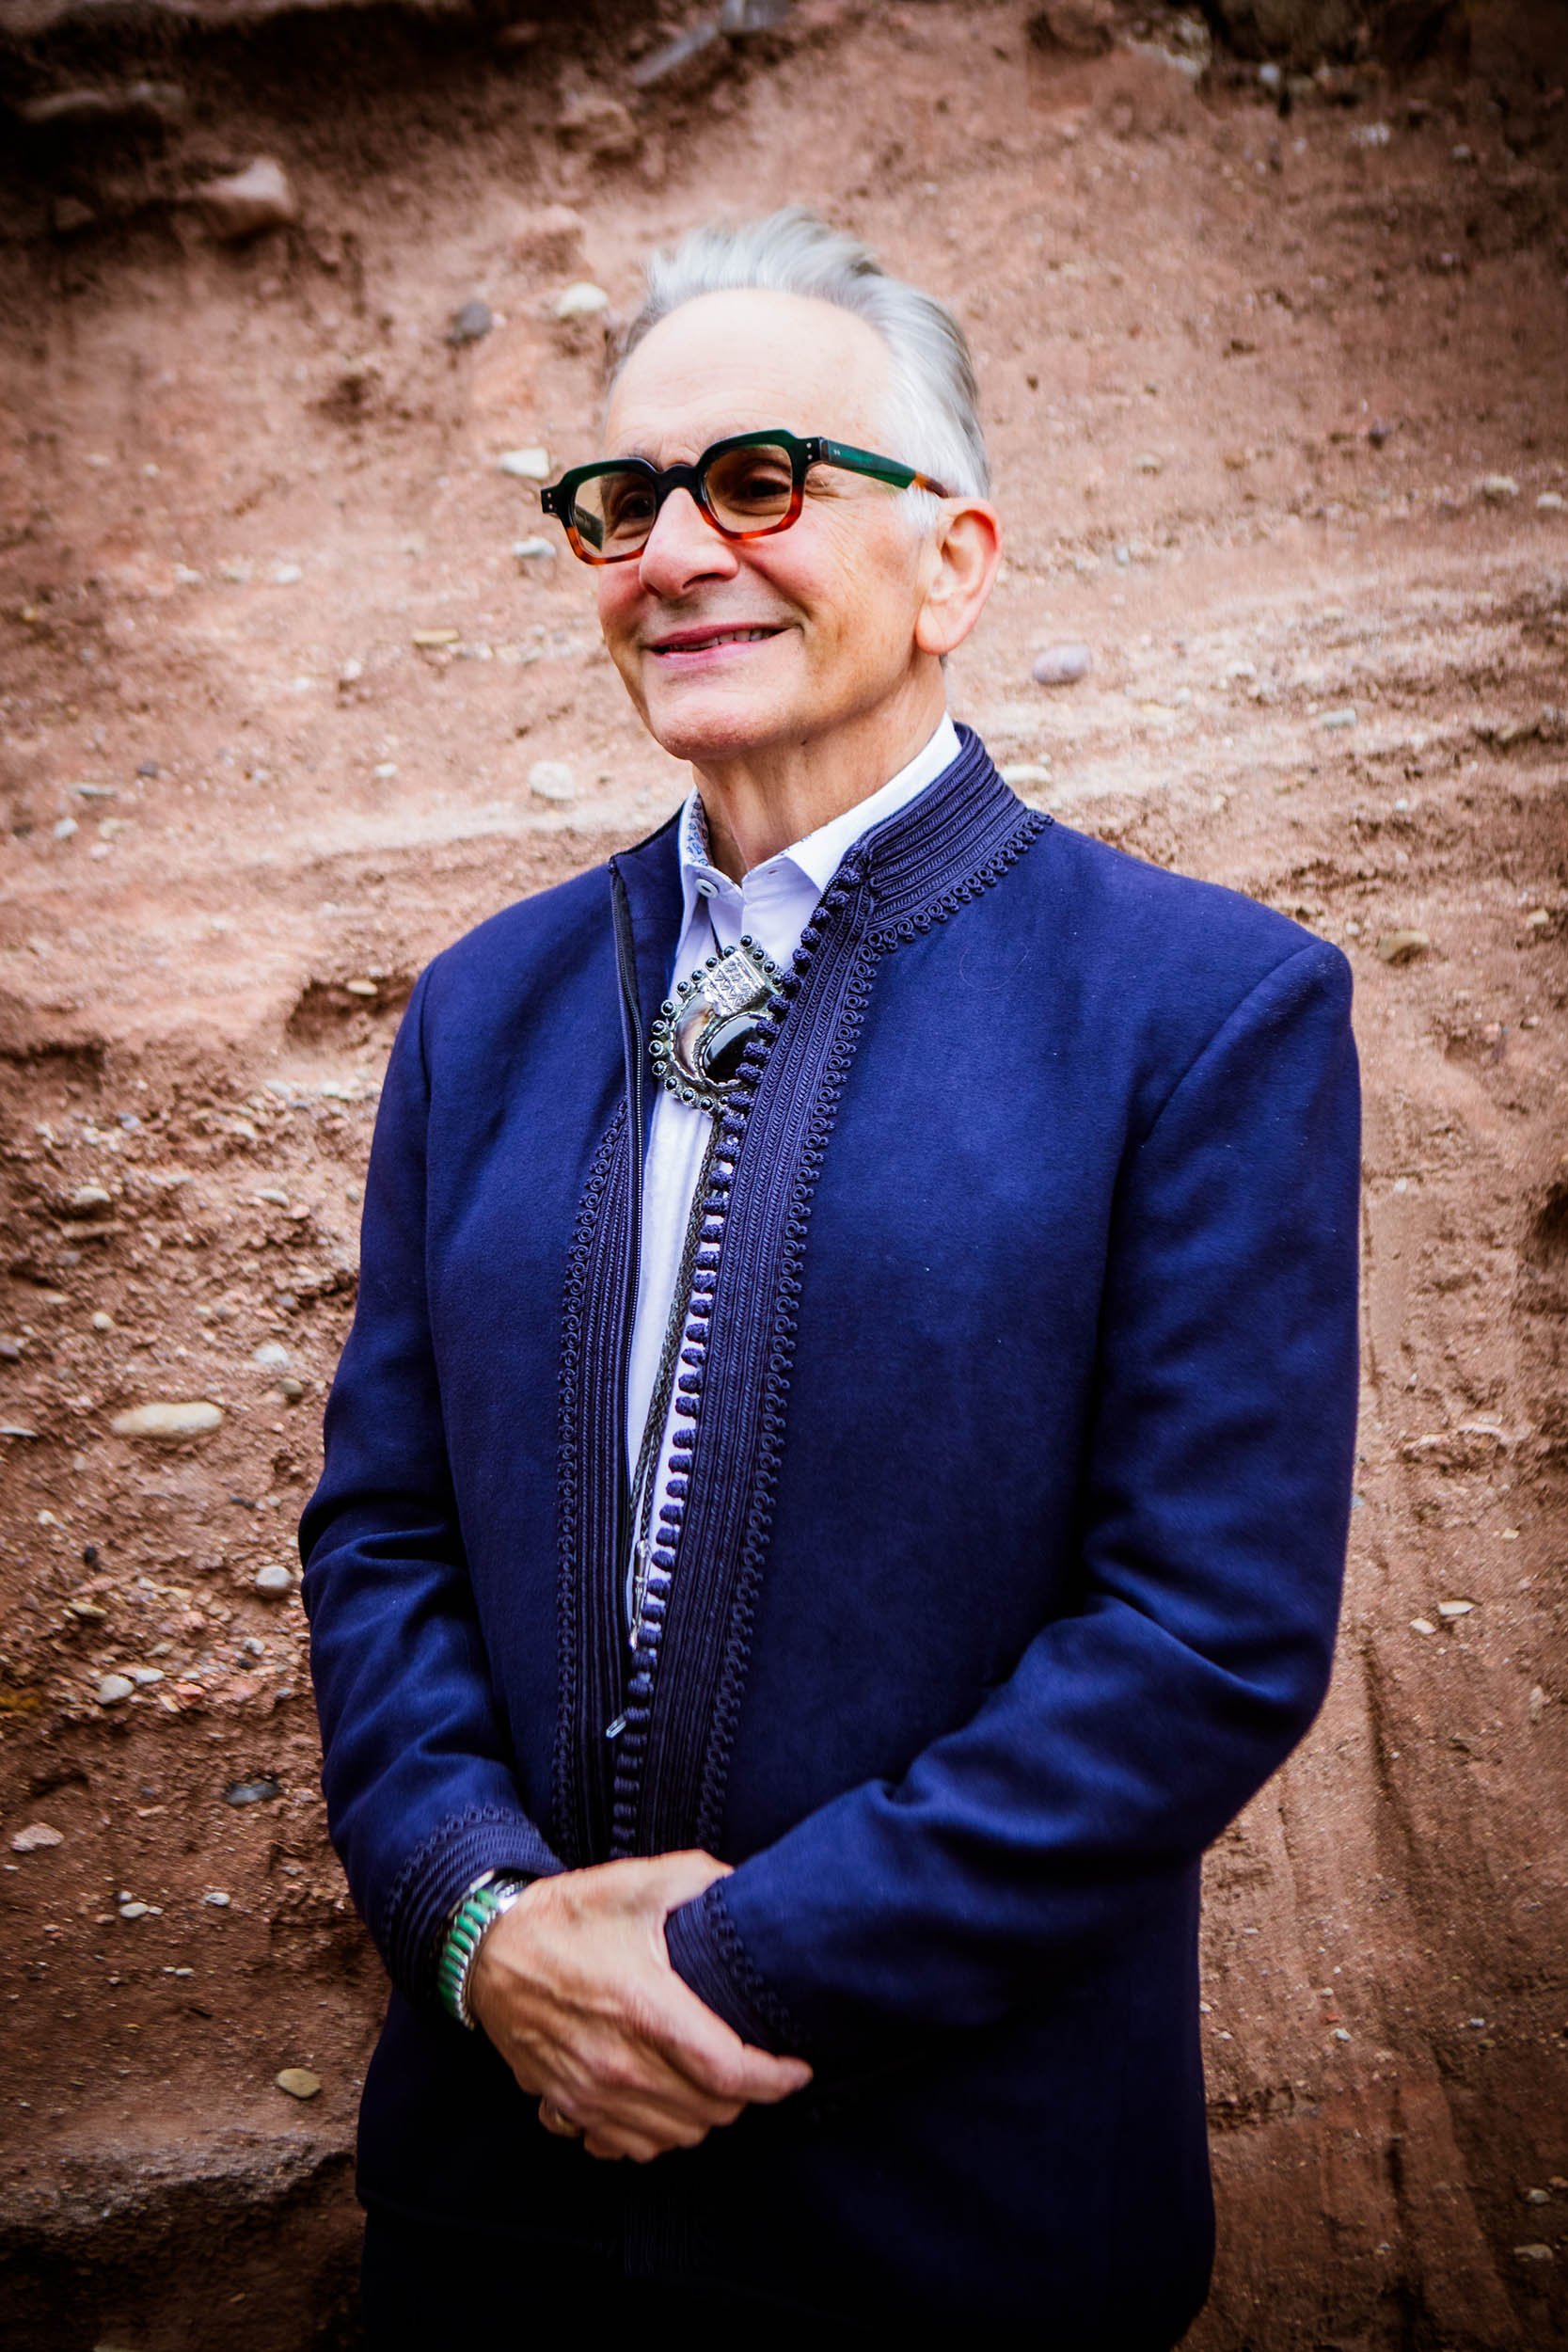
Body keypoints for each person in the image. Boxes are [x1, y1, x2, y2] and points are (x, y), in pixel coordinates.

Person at [300, 208, 1360, 2346]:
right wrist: (482, 1928)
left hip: (956, 2225)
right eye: (623, 503)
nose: (678, 550)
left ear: (955, 561)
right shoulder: (485, 1008)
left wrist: (724, 1974)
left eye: (760, 479)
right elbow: (384, 1532)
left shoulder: (1203, 1010)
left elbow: (1202, 1638)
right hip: (494, 2215)